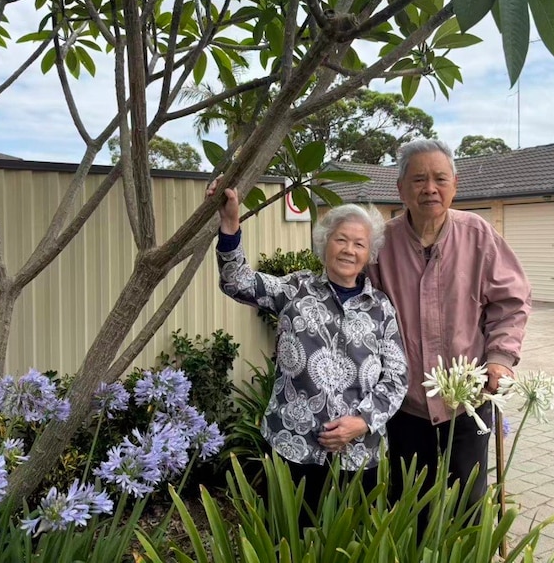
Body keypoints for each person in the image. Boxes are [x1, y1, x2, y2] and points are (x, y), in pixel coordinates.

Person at [209, 182, 408, 526]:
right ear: (324, 244)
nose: (348, 249)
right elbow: (236, 281)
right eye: (340, 239)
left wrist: (362, 421)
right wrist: (230, 225)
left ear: (369, 254)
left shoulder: (381, 308)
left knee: (349, 543)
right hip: (293, 445)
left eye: (359, 243)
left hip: (358, 453)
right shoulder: (294, 290)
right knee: (288, 536)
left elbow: (397, 376)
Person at [367, 139, 532, 530]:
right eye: (419, 179)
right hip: (405, 404)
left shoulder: (477, 234)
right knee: (410, 506)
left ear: (454, 185)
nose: (430, 188)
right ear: (400, 188)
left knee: (469, 508)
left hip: (468, 402)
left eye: (440, 179)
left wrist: (500, 358)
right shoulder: (381, 244)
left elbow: (511, 301)